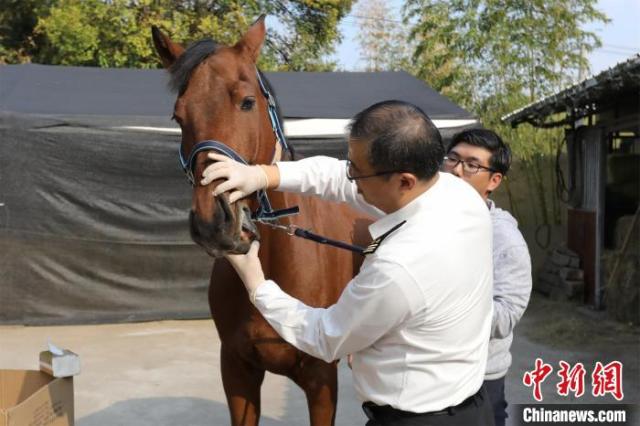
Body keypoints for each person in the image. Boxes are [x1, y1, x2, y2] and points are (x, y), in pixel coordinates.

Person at [202, 100, 495, 425]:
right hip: (472, 405)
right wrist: (262, 174)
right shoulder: (459, 193)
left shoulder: (399, 268)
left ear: (404, 181)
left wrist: (255, 281)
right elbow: (338, 178)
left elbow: (326, 336)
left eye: (357, 170)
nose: (349, 175)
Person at [442, 129, 532, 426]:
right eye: (452, 158)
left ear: (494, 180)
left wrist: (441, 308)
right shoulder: (421, 220)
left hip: (478, 380)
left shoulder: (504, 239)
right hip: (428, 375)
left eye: (471, 165)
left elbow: (506, 316)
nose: (456, 170)